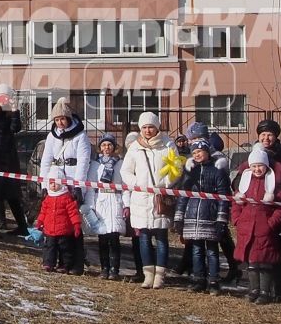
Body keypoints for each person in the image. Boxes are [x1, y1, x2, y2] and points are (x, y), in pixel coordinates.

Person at [121, 111, 179, 288]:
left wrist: (166, 183)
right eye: (144, 127)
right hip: (141, 198)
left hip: (160, 198)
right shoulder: (135, 147)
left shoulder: (168, 145)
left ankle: (160, 275)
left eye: (151, 127)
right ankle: (148, 274)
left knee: (161, 237)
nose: (147, 130)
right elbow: (125, 171)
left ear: (157, 127)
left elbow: (176, 167)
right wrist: (137, 183)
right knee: (144, 237)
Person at [233, 146, 281, 304]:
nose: (257, 169)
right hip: (246, 229)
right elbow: (237, 204)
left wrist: (270, 224)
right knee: (251, 262)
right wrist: (237, 219)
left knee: (264, 261)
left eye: (260, 166)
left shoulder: (273, 186)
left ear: (266, 166)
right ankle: (253, 289)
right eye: (254, 166)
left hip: (264, 231)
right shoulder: (245, 183)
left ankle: (265, 291)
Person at [177, 138, 230, 294]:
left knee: (212, 251)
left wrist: (221, 218)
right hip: (193, 215)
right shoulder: (190, 173)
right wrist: (179, 217)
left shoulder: (217, 172)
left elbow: (223, 196)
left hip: (210, 216)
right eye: (194, 152)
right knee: (196, 249)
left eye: (200, 151)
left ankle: (213, 280)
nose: (197, 155)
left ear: (207, 152)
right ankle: (198, 279)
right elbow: (183, 195)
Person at [0, 86, 28, 236]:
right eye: (0, 97)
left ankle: (22, 226)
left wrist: (15, 110)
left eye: (5, 97)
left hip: (8, 159)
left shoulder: (10, 115)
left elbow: (16, 128)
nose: (3, 100)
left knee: (12, 194)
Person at [86, 135, 128, 279]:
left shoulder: (120, 164)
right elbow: (91, 187)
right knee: (103, 238)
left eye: (109, 145)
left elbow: (125, 187)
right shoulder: (95, 164)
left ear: (114, 147)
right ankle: (104, 268)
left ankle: (115, 270)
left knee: (114, 238)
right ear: (100, 147)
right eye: (104, 145)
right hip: (101, 201)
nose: (106, 148)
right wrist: (90, 206)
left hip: (115, 201)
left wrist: (126, 205)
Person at [37, 168, 85, 275]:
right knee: (49, 247)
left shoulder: (67, 198)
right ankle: (48, 263)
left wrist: (76, 225)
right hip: (50, 230)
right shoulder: (48, 198)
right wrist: (40, 221)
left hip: (64, 230)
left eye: (56, 182)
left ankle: (64, 265)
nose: (53, 185)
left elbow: (73, 213)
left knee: (65, 249)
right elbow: (43, 211)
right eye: (51, 183)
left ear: (62, 183)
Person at [38, 101, 92, 190]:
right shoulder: (51, 136)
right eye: (57, 120)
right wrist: (44, 185)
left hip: (73, 177)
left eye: (62, 119)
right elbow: (46, 160)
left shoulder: (80, 135)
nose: (60, 123)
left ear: (68, 118)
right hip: (56, 179)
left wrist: (78, 185)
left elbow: (83, 161)